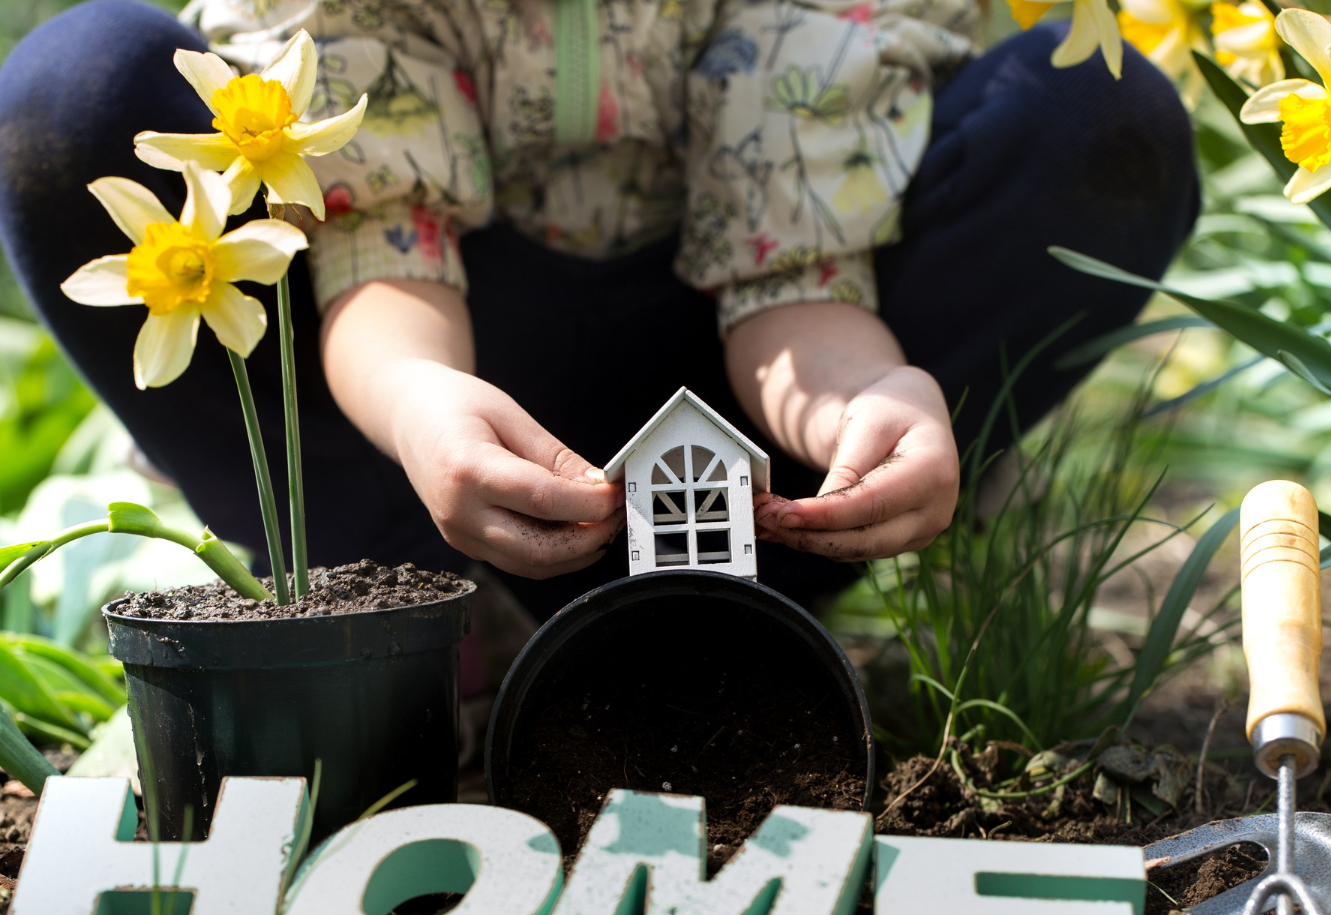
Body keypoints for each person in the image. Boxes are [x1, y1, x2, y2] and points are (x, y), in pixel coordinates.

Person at [0, 0, 1198, 624]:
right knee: (76, 92)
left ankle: (744, 597)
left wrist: (860, 401)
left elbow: (792, 273)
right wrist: (426, 408)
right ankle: (405, 603)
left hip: (730, 394)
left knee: (1097, 116)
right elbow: (383, 253)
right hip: (431, 391)